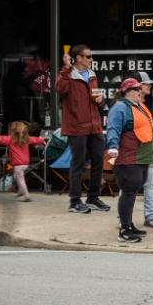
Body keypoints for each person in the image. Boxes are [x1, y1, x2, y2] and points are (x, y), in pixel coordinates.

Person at [55, 45, 109, 214]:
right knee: (78, 162)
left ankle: (93, 198)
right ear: (78, 58)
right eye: (88, 56)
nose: (91, 59)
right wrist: (65, 68)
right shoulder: (68, 74)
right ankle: (75, 201)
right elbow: (59, 89)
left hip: (94, 124)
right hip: (76, 125)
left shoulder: (92, 74)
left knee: (99, 158)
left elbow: (97, 98)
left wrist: (100, 99)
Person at [106, 78, 153, 243]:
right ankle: (124, 230)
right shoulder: (120, 107)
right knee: (128, 191)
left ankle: (128, 224)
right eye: (136, 89)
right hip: (128, 158)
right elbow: (113, 128)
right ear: (127, 91)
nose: (140, 91)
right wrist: (113, 147)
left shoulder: (137, 106)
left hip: (140, 157)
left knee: (133, 190)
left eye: (140, 89)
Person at [132, 71, 153, 228]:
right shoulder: (128, 104)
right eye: (146, 83)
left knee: (150, 183)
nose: (149, 85)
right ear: (137, 86)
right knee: (130, 183)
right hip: (133, 149)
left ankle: (150, 217)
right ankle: (123, 218)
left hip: (151, 148)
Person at [0, 121, 45, 202]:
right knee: (16, 176)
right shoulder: (26, 139)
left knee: (20, 179)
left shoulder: (10, 139)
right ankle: (21, 191)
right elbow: (35, 140)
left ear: (12, 131)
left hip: (18, 165)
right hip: (25, 164)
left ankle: (26, 195)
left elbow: (1, 139)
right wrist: (42, 140)